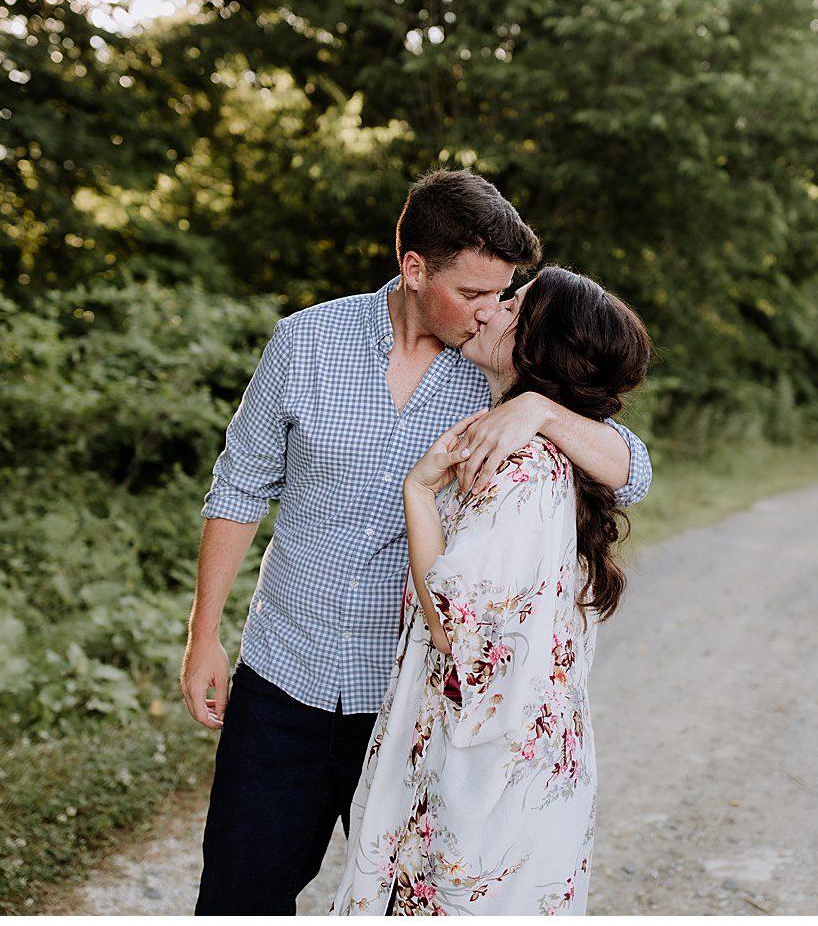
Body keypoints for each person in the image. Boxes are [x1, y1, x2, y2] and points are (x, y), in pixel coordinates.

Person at [182, 170, 652, 915]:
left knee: (394, 902)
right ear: (414, 268)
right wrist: (203, 634)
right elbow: (239, 488)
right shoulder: (305, 342)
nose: (490, 309)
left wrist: (540, 409)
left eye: (502, 293)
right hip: (285, 675)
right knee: (237, 898)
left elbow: (633, 472)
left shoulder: (501, 371)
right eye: (472, 292)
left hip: (404, 704)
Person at [333, 267, 650, 915]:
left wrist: (419, 493)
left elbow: (459, 636)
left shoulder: (524, 468)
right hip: (513, 752)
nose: (492, 309)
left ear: (538, 345)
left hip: (486, 764)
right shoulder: (521, 439)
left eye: (513, 304)